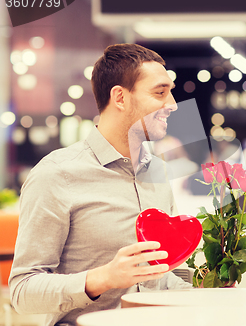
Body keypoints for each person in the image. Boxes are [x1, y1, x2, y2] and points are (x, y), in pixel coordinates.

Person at [9, 44, 192, 326]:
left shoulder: (158, 170)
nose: (172, 104)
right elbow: (22, 291)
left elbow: (159, 275)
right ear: (120, 97)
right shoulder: (57, 174)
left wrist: (206, 291)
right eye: (160, 92)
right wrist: (103, 278)